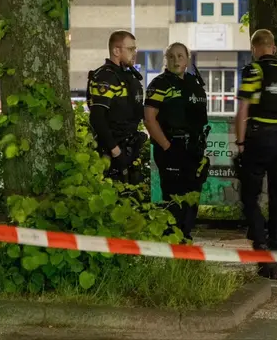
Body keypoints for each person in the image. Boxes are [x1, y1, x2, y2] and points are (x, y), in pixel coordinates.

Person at [235, 29, 277, 280]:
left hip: (257, 139)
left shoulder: (254, 71)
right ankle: (276, 255)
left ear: (255, 48)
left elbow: (243, 109)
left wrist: (240, 142)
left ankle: (261, 246)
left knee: (250, 196)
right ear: (273, 48)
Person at [143, 43, 210, 241]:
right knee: (174, 201)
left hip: (194, 149)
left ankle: (185, 240)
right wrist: (167, 146)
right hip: (171, 147)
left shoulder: (193, 83)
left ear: (187, 59)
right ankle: (172, 243)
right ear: (166, 60)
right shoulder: (159, 84)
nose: (176, 60)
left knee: (192, 198)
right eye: (171, 56)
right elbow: (149, 119)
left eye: (180, 56)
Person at [87, 30, 147, 184]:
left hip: (129, 148)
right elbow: (97, 117)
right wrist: (115, 151)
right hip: (112, 151)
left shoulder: (127, 76)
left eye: (135, 49)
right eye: (131, 49)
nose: (134, 53)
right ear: (116, 51)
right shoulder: (106, 77)